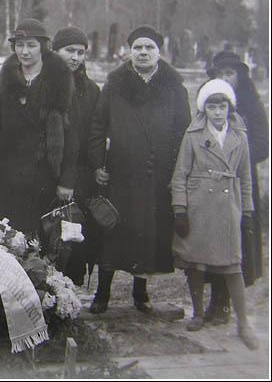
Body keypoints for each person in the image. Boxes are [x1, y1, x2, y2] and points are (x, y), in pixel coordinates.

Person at [88, 25, 191, 313]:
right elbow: (97, 127)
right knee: (114, 231)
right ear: (129, 51)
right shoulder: (115, 85)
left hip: (158, 176)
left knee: (147, 233)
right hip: (120, 175)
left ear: (160, 53)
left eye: (149, 48)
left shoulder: (175, 88)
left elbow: (183, 133)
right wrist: (98, 164)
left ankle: (140, 294)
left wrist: (175, 173)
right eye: (137, 48)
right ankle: (102, 294)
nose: (143, 53)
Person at [170, 79, 257, 350]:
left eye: (222, 106)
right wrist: (180, 208)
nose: (217, 112)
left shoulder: (239, 136)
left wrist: (248, 212)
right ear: (203, 109)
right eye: (211, 106)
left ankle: (243, 323)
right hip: (199, 205)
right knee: (195, 262)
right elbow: (180, 174)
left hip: (228, 206)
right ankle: (197, 313)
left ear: (229, 109)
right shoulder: (193, 134)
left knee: (232, 264)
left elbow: (245, 178)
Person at [0, 19, 79, 236]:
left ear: (43, 47)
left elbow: (73, 135)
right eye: (19, 45)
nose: (24, 51)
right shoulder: (6, 78)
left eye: (31, 45)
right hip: (7, 176)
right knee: (3, 239)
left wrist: (66, 181)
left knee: (37, 246)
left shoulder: (60, 80)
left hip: (43, 176)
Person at [201, 50, 269, 324]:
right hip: (212, 181)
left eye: (230, 73)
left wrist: (236, 154)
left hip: (241, 182)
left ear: (240, 75)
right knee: (214, 239)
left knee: (236, 241)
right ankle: (214, 300)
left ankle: (226, 302)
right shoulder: (209, 102)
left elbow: (263, 145)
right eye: (220, 73)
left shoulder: (251, 104)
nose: (225, 78)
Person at [52, 26, 102, 285]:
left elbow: (93, 134)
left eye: (80, 52)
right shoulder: (43, 82)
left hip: (78, 176)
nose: (75, 57)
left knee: (72, 236)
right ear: (55, 50)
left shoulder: (91, 90)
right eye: (69, 50)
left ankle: (70, 293)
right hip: (46, 173)